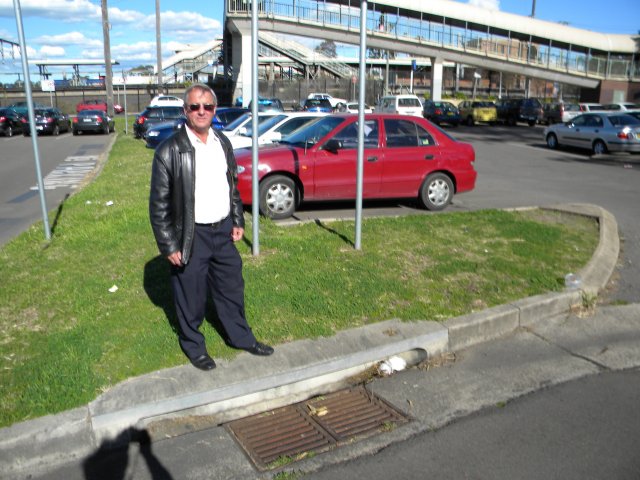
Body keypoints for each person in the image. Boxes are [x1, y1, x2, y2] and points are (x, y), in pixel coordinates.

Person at [149, 83, 273, 371]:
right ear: (185, 111)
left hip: (223, 230)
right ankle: (194, 346)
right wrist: (169, 245)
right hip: (192, 235)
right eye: (195, 107)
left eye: (207, 106)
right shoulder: (170, 151)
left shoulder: (222, 142)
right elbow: (159, 206)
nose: (201, 111)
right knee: (190, 296)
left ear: (215, 110)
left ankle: (240, 337)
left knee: (231, 288)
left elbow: (232, 187)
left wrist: (238, 220)